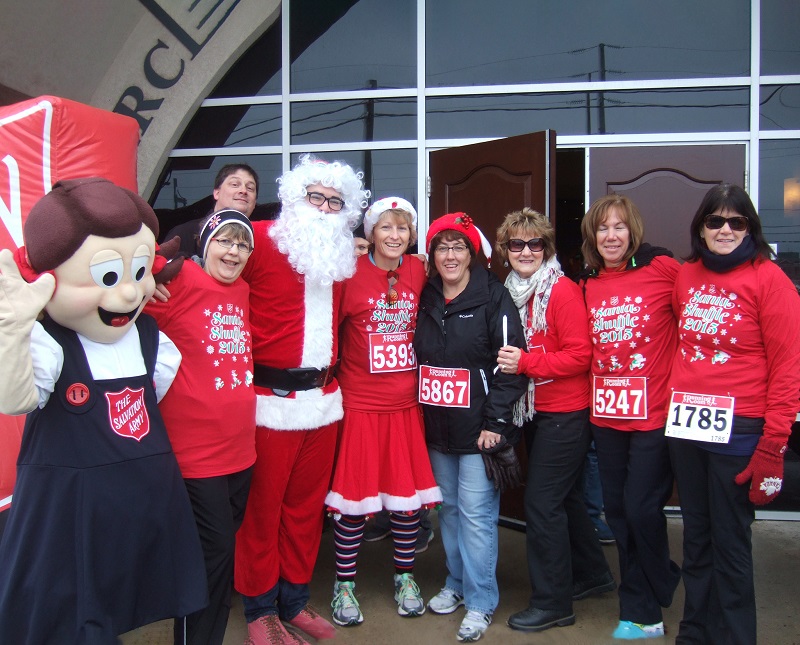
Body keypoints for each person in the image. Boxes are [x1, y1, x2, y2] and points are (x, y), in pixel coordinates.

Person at [0, 177, 207, 644]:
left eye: (138, 272)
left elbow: (153, 397)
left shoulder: (154, 341)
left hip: (137, 505)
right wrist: (12, 329)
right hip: (70, 512)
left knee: (120, 599)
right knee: (70, 610)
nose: (130, 294)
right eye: (107, 277)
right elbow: (14, 399)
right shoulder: (49, 343)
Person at [233, 154, 370, 645]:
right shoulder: (260, 243)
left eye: (336, 201)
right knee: (262, 511)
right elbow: (214, 285)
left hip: (324, 401)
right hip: (269, 401)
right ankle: (259, 609)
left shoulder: (340, 257)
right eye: (317, 197)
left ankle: (293, 599)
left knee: (305, 510)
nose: (326, 207)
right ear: (295, 198)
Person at [666, 184, 800, 645]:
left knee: (731, 545)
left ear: (750, 228)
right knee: (696, 538)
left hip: (740, 428)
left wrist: (774, 444)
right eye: (715, 221)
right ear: (700, 227)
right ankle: (695, 633)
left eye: (736, 222)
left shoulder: (769, 280)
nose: (725, 229)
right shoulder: (686, 275)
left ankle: (736, 637)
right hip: (686, 426)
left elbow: (788, 367)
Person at [495, 208, 615, 633]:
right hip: (535, 410)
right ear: (505, 250)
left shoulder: (560, 290)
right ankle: (593, 573)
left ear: (546, 249)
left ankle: (553, 602)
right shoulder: (509, 290)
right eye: (516, 244)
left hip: (566, 412)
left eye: (535, 244)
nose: (526, 251)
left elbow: (581, 355)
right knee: (565, 500)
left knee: (541, 505)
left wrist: (526, 362)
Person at [324, 197, 441, 626]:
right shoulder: (348, 274)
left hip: (406, 405)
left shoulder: (418, 269)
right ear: (370, 232)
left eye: (403, 229)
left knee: (408, 505)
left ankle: (406, 577)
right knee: (353, 504)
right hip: (360, 406)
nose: (395, 236)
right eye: (387, 228)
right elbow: (329, 332)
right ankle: (344, 585)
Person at [414, 212, 528, 643]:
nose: (450, 255)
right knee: (450, 512)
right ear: (432, 255)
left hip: (480, 432)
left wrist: (495, 423)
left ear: (473, 253)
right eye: (442, 247)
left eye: (459, 246)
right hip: (439, 432)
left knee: (478, 517)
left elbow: (511, 366)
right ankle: (457, 585)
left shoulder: (493, 299)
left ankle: (481, 601)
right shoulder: (425, 298)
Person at [145, 209, 257, 645]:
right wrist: (147, 279)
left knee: (218, 560)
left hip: (240, 451)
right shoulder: (180, 280)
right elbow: (126, 256)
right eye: (225, 241)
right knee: (210, 560)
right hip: (195, 456)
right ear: (205, 243)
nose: (234, 251)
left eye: (242, 244)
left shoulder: (243, 289)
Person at [580, 194, 682, 640]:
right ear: (592, 237)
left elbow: (704, 300)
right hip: (606, 417)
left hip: (654, 416)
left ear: (633, 232)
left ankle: (659, 581)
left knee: (642, 510)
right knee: (618, 512)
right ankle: (642, 609)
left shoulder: (663, 271)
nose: (611, 235)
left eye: (619, 227)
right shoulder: (587, 285)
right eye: (603, 228)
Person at [165, 163, 259, 258]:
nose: (243, 191)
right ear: (216, 193)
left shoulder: (260, 241)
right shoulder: (184, 234)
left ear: (255, 202)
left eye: (250, 188)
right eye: (235, 184)